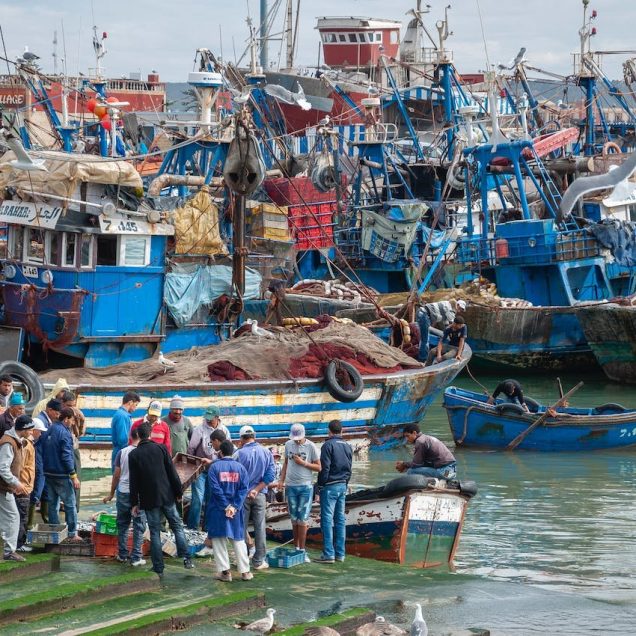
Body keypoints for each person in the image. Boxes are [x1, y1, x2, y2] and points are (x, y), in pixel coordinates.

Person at [128, 421, 193, 578]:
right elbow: (172, 473)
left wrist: (134, 503)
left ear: (138, 436)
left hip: (149, 500)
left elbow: (134, 482)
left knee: (155, 532)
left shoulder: (133, 455)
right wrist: (178, 492)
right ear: (150, 434)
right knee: (177, 526)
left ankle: (158, 568)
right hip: (167, 495)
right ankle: (187, 559)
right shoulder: (161, 448)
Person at [205, 439, 252, 582]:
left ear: (220, 451)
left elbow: (215, 489)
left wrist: (226, 506)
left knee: (219, 540)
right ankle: (246, 572)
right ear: (233, 451)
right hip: (235, 511)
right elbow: (244, 489)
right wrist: (234, 506)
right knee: (238, 539)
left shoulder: (214, 467)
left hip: (218, 509)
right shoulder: (241, 468)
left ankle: (225, 574)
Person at [103, 427, 147, 566]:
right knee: (139, 525)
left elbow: (116, 475)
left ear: (131, 436)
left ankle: (122, 554)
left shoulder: (122, 452)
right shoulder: (144, 453)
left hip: (122, 492)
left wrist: (111, 493)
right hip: (139, 494)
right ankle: (136, 557)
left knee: (122, 524)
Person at [235, 425, 275, 570]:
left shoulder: (238, 454)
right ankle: (258, 561)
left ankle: (241, 559)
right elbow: (271, 475)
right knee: (260, 527)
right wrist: (257, 489)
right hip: (259, 495)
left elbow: (234, 476)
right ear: (254, 436)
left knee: (240, 528)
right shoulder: (266, 452)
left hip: (242, 496)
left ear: (241, 438)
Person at [279, 424, 320, 563]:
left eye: (298, 438)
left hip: (305, 486)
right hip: (291, 486)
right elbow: (285, 463)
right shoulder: (288, 444)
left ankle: (302, 550)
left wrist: (303, 463)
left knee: (303, 519)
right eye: (294, 438)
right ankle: (296, 547)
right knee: (294, 518)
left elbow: (319, 467)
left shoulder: (311, 446)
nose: (296, 441)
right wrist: (281, 480)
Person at [185, 405, 229, 529]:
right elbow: (191, 448)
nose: (208, 420)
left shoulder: (224, 431)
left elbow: (228, 449)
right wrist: (191, 467)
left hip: (215, 471)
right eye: (207, 418)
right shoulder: (199, 429)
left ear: (217, 417)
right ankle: (192, 527)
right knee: (198, 499)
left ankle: (207, 528)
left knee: (211, 500)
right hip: (200, 469)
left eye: (211, 418)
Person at [42, 408, 82, 541]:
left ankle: (55, 530)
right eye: (72, 420)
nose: (73, 422)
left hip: (48, 473)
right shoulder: (64, 433)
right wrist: (73, 475)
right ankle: (71, 533)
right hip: (62, 475)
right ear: (66, 419)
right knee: (70, 504)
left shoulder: (51, 428)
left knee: (53, 503)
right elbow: (66, 456)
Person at [316, 420, 352, 564]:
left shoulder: (327, 445)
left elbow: (325, 468)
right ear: (341, 430)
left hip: (330, 486)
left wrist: (320, 485)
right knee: (340, 521)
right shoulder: (348, 446)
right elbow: (350, 468)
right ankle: (340, 554)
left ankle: (328, 554)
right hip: (342, 485)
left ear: (329, 431)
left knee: (326, 520)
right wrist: (345, 483)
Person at [0, 415, 34, 561]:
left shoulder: (15, 441)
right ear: (24, 429)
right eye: (30, 429)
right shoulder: (8, 443)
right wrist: (16, 483)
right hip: (3, 488)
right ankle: (9, 552)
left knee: (9, 517)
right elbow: (3, 468)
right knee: (13, 517)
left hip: (6, 487)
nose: (32, 432)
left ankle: (8, 550)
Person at [14, 415, 41, 552]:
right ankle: (19, 545)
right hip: (23, 486)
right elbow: (20, 466)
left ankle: (19, 543)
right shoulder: (26, 445)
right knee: (21, 517)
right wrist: (20, 484)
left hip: (24, 485)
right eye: (35, 430)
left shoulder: (27, 443)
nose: (38, 433)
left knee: (21, 516)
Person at [60, 391, 85, 512]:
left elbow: (81, 433)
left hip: (74, 450)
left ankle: (75, 508)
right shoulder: (59, 416)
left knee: (76, 480)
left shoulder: (77, 414)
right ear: (63, 404)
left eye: (73, 405)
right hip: (61, 451)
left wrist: (81, 420)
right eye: (69, 405)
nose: (72, 408)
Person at [110, 392, 140, 471]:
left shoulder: (121, 414)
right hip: (122, 451)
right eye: (136, 405)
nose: (135, 408)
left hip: (120, 451)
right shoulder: (122, 416)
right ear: (130, 402)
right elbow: (123, 439)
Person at [28, 419, 48, 529]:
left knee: (43, 495)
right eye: (39, 431)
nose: (41, 434)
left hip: (40, 474)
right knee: (34, 497)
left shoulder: (39, 442)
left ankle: (47, 522)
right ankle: (28, 526)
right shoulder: (28, 443)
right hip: (33, 476)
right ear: (33, 430)